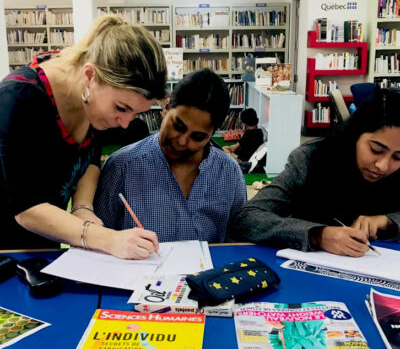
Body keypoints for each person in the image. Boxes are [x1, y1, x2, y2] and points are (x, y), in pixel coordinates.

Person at [0, 14, 167, 258]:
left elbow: (89, 161)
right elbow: (27, 207)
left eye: (137, 113)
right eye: (121, 108)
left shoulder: (92, 102)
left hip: (43, 245)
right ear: (89, 76)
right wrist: (106, 238)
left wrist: (82, 207)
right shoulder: (20, 98)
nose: (124, 124)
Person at [230, 89, 400, 257]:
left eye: (398, 157)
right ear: (355, 134)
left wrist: (389, 221)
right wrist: (318, 235)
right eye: (376, 149)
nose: (383, 166)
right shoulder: (310, 160)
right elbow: (248, 217)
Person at [94, 69, 247, 249]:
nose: (182, 141)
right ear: (166, 108)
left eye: (197, 137)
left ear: (212, 135)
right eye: (178, 125)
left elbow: (238, 244)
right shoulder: (122, 166)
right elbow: (97, 240)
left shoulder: (229, 172)